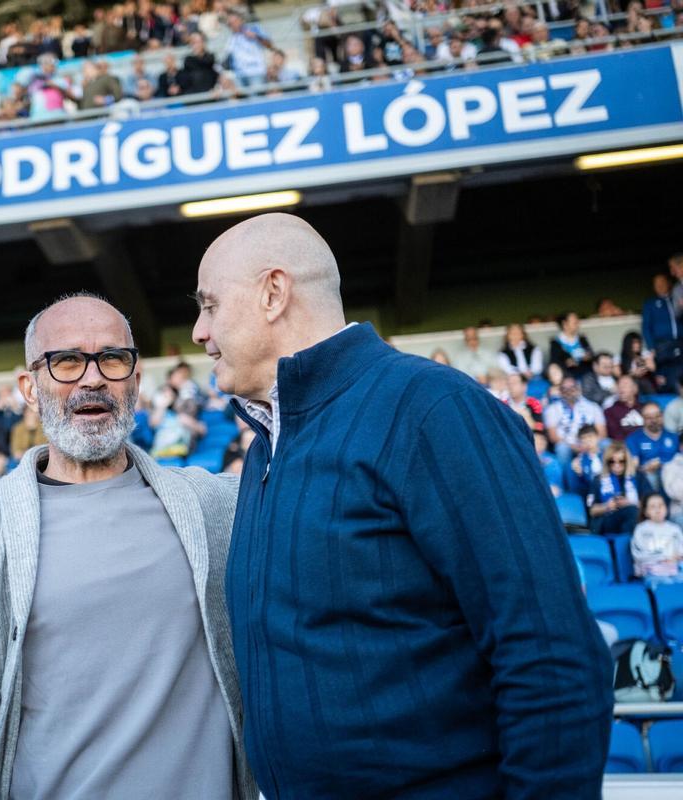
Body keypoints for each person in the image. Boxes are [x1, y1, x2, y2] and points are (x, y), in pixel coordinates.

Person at [191, 213, 612, 798]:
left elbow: (550, 656)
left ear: (273, 293)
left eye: (209, 306)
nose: (197, 332)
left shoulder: (435, 410)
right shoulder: (266, 447)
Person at [0, 294, 254, 800]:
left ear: (135, 383)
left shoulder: (214, 507)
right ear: (30, 388)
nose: (92, 378)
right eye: (67, 361)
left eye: (113, 359)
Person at [544, 376, 608, 462]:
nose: (569, 391)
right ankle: (565, 475)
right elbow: (553, 437)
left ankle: (605, 473)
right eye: (564, 389)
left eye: (572, 387)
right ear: (560, 392)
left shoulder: (593, 406)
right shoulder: (552, 409)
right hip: (567, 444)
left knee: (606, 443)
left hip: (590, 442)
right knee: (561, 448)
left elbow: (602, 433)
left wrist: (590, 444)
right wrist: (573, 446)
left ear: (578, 389)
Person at [588, 441, 643, 535]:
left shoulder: (638, 476)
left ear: (627, 461)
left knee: (632, 511)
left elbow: (649, 502)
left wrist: (629, 503)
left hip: (633, 518)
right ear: (606, 462)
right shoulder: (598, 479)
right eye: (612, 461)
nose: (616, 465)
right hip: (607, 520)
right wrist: (607, 506)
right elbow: (592, 510)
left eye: (621, 461)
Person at [631, 493, 683, 587]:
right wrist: (664, 557)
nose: (658, 509)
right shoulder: (641, 529)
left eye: (661, 505)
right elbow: (638, 554)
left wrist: (678, 556)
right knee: (666, 585)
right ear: (646, 511)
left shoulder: (674, 528)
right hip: (652, 571)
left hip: (675, 568)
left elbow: (681, 549)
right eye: (653, 506)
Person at [644, 273, 683, 388]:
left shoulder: (676, 300)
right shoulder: (650, 303)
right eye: (656, 284)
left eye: (662, 283)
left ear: (668, 283)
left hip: (680, 342)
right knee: (664, 374)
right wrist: (651, 348)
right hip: (662, 344)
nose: (659, 286)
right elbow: (646, 327)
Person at [549, 311, 595, 378]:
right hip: (566, 375)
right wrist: (566, 362)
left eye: (577, 321)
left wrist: (588, 357)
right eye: (575, 322)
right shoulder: (556, 342)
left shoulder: (582, 339)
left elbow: (592, 355)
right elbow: (554, 362)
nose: (578, 324)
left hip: (585, 373)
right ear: (564, 324)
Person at [604, 375, 645, 442]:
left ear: (635, 389)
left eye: (625, 386)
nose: (621, 389)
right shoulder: (610, 412)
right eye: (619, 386)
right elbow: (616, 436)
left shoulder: (645, 408)